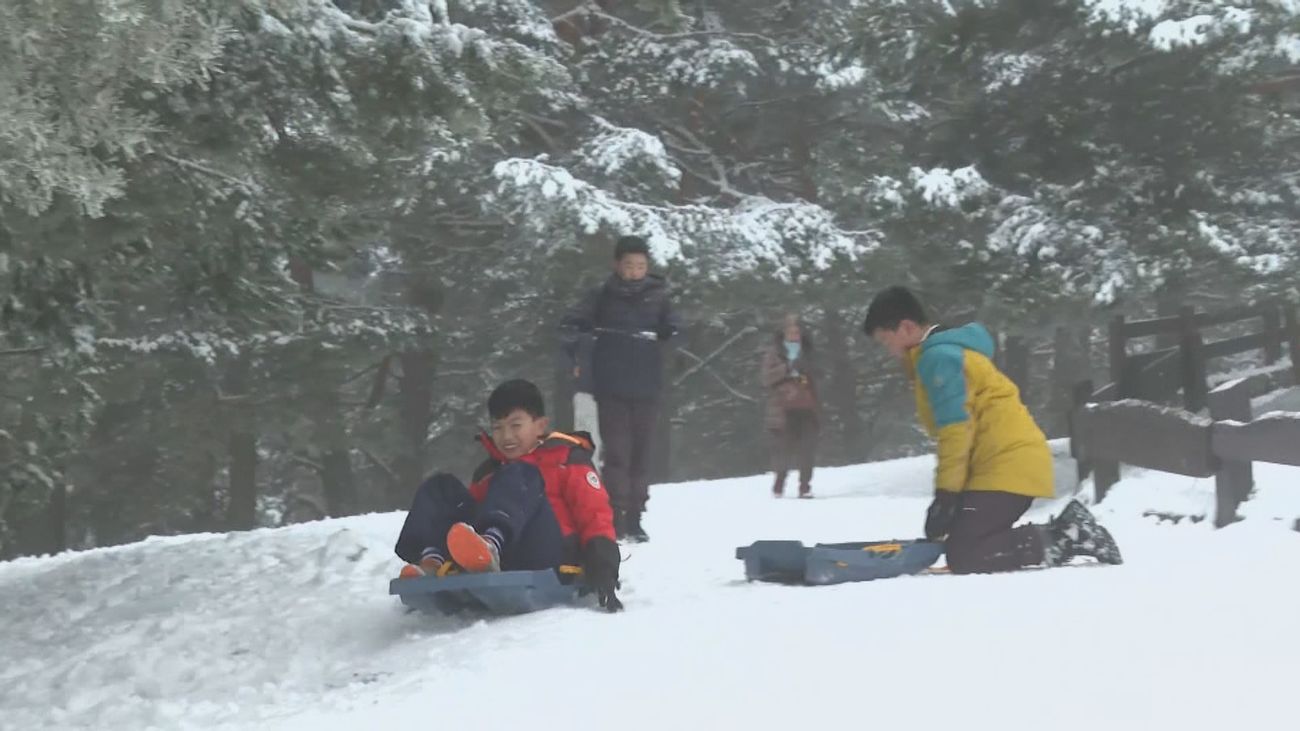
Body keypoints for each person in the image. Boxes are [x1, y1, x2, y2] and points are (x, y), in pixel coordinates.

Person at [861, 286, 1122, 574]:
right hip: (1002, 463)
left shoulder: (938, 358)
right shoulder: (945, 353)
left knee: (966, 554)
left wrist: (946, 495)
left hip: (1009, 464)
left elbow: (956, 430)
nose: (889, 352)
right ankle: (1066, 530)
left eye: (887, 341)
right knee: (962, 543)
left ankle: (1069, 536)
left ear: (906, 327)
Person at [393, 379, 623, 611]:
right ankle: (431, 562)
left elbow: (595, 515)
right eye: (497, 427)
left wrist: (604, 569)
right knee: (441, 487)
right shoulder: (490, 471)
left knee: (522, 471)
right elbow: (465, 520)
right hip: (502, 556)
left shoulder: (566, 459)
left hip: (548, 555)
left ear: (540, 425)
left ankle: (492, 543)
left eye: (515, 425)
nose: (506, 436)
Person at [560, 235, 680, 542]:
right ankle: (614, 513)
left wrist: (669, 342)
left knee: (642, 453)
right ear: (617, 265)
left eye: (641, 266)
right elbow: (571, 325)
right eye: (629, 265)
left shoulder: (659, 296)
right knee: (617, 453)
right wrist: (581, 351)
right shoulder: (601, 295)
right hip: (611, 384)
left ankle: (636, 516)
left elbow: (675, 331)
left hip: (647, 385)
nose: (635, 271)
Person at [760, 315, 821, 498]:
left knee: (807, 449)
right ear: (783, 333)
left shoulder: (808, 351)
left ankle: (805, 486)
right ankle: (779, 485)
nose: (795, 335)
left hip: (807, 406)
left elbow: (820, 375)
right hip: (782, 408)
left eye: (797, 331)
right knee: (783, 449)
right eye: (791, 331)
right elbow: (765, 379)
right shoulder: (774, 353)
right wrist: (786, 369)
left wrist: (808, 371)